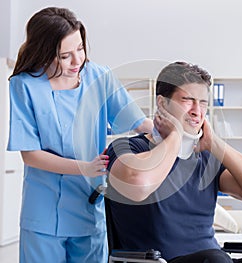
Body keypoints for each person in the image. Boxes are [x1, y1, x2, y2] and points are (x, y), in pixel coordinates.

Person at [105, 62, 242, 263]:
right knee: (214, 259)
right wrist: (175, 136)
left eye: (203, 103)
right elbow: (139, 184)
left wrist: (214, 144)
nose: (197, 110)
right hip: (161, 261)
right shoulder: (126, 148)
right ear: (162, 104)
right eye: (187, 100)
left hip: (214, 260)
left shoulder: (206, 157)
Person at [7, 7, 154, 263]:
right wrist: (85, 167)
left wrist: (179, 133)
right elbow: (30, 155)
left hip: (87, 208)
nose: (77, 62)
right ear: (44, 53)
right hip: (42, 212)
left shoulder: (99, 76)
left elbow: (140, 123)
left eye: (80, 49)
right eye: (65, 56)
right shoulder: (25, 85)